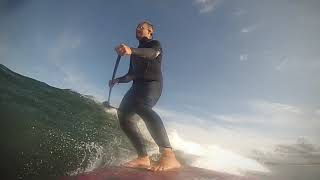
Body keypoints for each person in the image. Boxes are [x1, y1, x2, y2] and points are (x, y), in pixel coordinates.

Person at [109, 21, 181, 171]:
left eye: (142, 28)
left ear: (150, 32)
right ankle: (143, 158)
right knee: (123, 116)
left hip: (151, 85)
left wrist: (131, 50)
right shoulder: (134, 54)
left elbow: (152, 54)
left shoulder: (154, 44)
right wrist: (118, 80)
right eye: (137, 28)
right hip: (136, 87)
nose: (138, 29)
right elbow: (131, 75)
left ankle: (168, 155)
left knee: (141, 106)